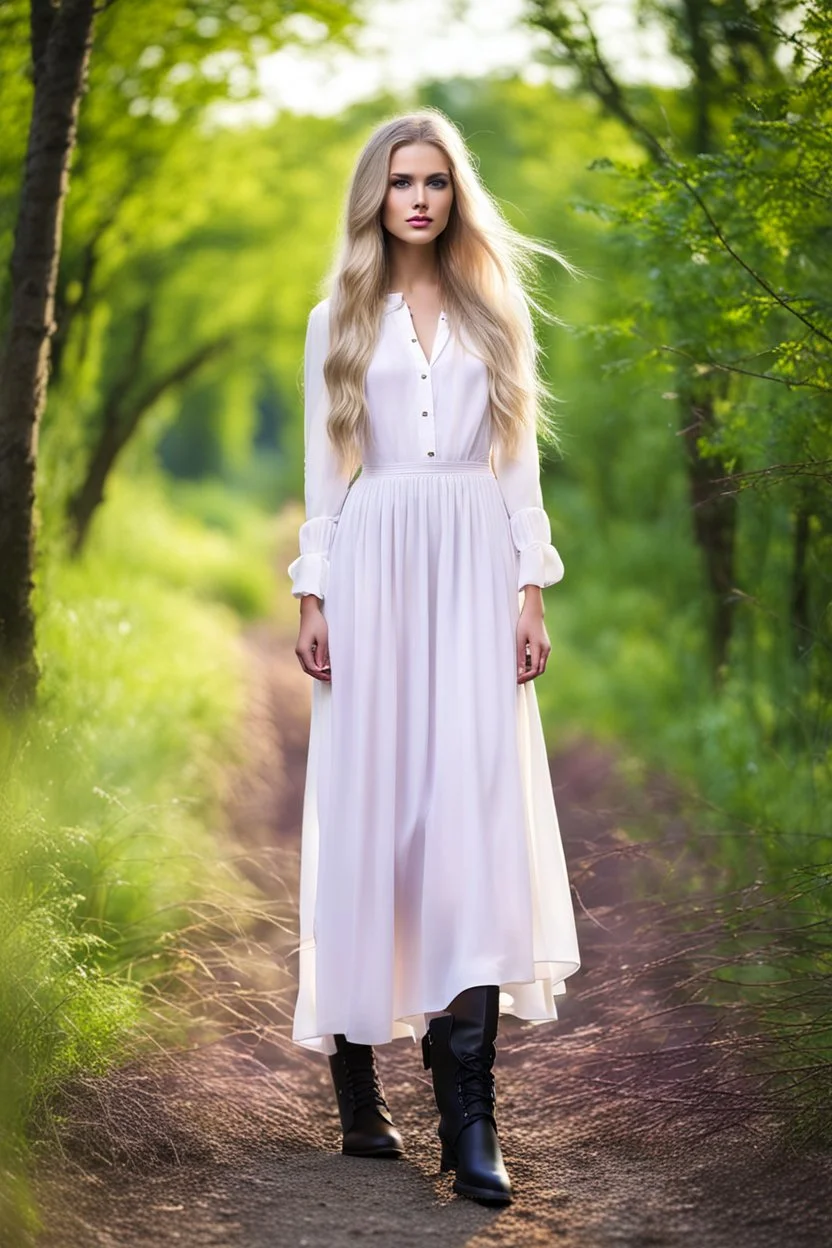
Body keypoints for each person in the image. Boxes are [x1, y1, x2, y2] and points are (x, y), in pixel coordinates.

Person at [288, 109, 581, 1206]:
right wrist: (313, 590)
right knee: (372, 816)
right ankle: (358, 1088)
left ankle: (470, 1121)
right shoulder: (335, 320)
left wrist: (528, 589)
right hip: (372, 567)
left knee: (465, 818)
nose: (418, 198)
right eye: (401, 181)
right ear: (375, 196)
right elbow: (328, 472)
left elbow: (517, 464)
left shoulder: (495, 312)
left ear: (456, 196)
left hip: (469, 571)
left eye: (437, 182)